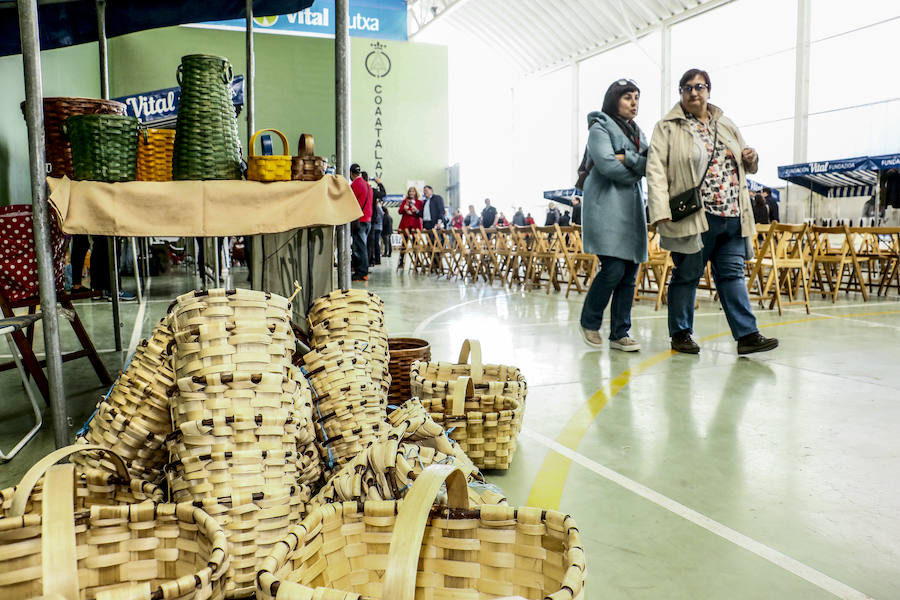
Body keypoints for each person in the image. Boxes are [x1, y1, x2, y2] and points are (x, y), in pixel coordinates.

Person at [646, 68, 778, 355]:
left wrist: (751, 158)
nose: (694, 92)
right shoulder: (667, 127)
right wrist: (658, 210)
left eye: (700, 86)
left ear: (709, 90)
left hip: (732, 214)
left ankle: (747, 335)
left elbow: (747, 162)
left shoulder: (726, 124)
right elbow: (654, 169)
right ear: (680, 93)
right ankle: (681, 334)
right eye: (688, 88)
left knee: (731, 275)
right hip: (696, 216)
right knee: (688, 274)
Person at [579, 78, 648, 352]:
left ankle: (620, 333)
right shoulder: (599, 128)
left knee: (630, 273)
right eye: (628, 97)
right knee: (613, 269)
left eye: (636, 98)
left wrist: (627, 158)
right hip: (606, 209)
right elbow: (607, 165)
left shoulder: (638, 133)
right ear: (613, 100)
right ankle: (590, 321)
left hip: (631, 214)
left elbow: (650, 162)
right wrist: (635, 165)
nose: (634, 103)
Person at [349, 163, 372, 281]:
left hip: (360, 220)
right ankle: (362, 270)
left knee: (359, 248)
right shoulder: (368, 185)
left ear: (351, 173)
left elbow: (349, 201)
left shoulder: (355, 185)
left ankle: (361, 272)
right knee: (363, 246)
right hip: (368, 220)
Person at [397, 186, 422, 269]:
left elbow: (421, 213)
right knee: (404, 243)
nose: (411, 193)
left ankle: (417, 260)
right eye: (410, 191)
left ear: (415, 193)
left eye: (413, 191)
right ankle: (401, 261)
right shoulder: (405, 201)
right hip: (406, 224)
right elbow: (399, 212)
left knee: (415, 242)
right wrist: (404, 209)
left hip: (415, 223)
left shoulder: (419, 202)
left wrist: (414, 211)